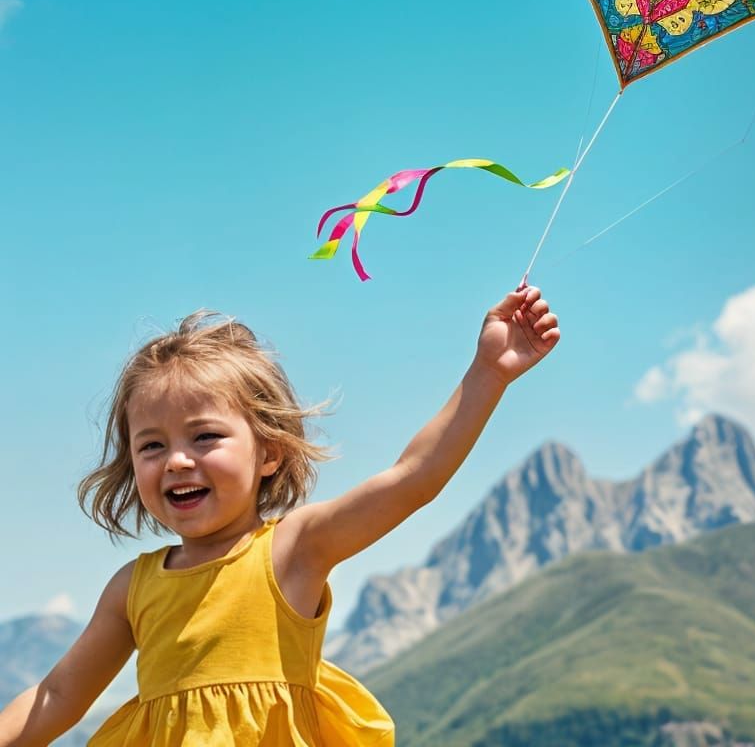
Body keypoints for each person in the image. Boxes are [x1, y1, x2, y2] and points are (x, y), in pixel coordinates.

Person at [0, 286, 559, 746]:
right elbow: (56, 697)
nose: (175, 460)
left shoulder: (294, 550)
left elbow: (412, 478)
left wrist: (489, 372)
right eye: (151, 446)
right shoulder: (132, 588)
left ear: (270, 452)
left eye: (205, 436)